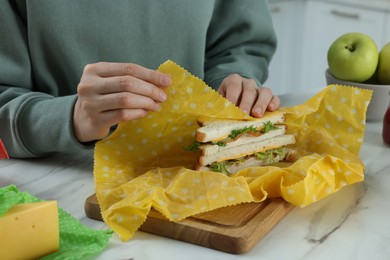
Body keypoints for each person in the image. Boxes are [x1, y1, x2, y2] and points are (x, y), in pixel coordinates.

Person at [0, 0, 280, 158]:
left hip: (196, 172)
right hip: (55, 189)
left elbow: (240, 43)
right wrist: (71, 118)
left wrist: (233, 80)